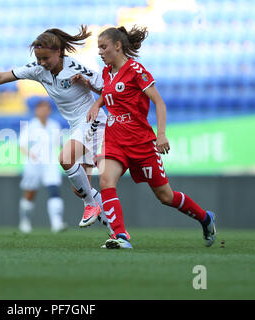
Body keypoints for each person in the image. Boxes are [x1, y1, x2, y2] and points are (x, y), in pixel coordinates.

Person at [0, 25, 115, 234]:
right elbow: (2, 77)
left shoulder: (76, 68)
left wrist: (89, 86)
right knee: (80, 188)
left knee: (65, 159)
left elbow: (109, 90)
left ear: (58, 52)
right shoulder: (38, 69)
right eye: (39, 59)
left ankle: (91, 205)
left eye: (45, 59)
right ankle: (115, 229)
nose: (42, 63)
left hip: (93, 120)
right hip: (75, 126)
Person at [85, 25, 217, 249]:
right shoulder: (106, 73)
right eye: (98, 47)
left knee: (165, 196)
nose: (99, 52)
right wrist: (97, 104)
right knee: (106, 180)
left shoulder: (136, 70)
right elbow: (109, 92)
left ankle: (205, 218)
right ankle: (121, 236)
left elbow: (159, 102)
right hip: (115, 139)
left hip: (141, 143)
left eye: (103, 47)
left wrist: (161, 134)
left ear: (117, 46)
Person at [17, 99, 66, 233]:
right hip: (34, 164)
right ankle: (25, 221)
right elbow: (21, 145)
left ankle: (57, 223)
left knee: (54, 190)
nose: (44, 111)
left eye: (47, 109)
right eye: (41, 108)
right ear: (36, 111)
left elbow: (60, 144)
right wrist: (31, 154)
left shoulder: (54, 125)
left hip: (50, 163)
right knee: (30, 193)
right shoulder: (30, 126)